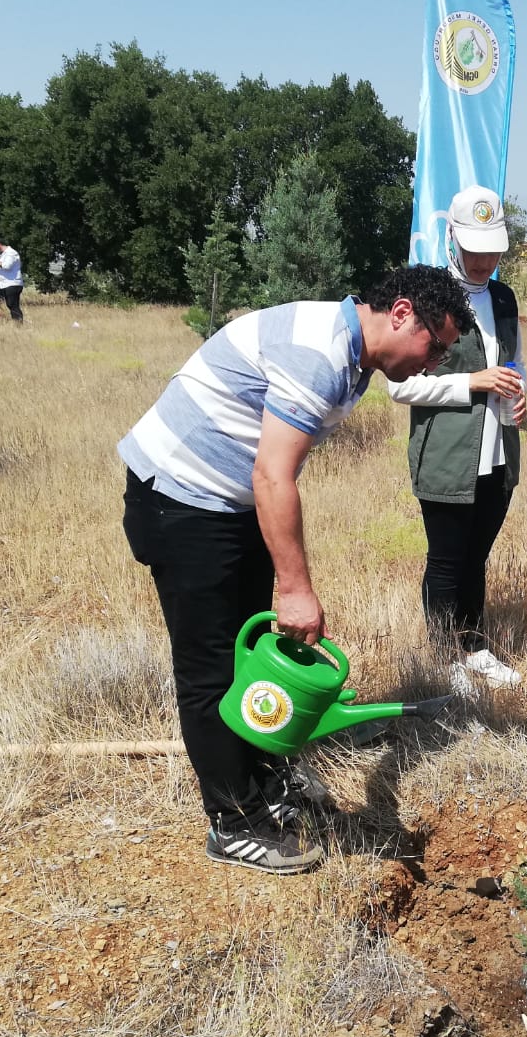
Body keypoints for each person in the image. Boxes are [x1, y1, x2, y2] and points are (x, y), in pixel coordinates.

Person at [119, 266, 476, 874]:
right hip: (179, 499)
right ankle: (233, 823)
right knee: (211, 672)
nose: (436, 363)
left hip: (227, 503)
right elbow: (273, 475)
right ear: (399, 313)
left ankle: (262, 782)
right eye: (434, 345)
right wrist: (295, 586)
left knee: (253, 655)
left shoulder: (356, 358)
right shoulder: (320, 355)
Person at [386, 186, 526, 693]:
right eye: (475, 248)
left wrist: (519, 392)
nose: (485, 260)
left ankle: (475, 645)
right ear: (452, 240)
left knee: (477, 556)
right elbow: (398, 384)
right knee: (446, 560)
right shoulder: (429, 298)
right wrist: (472, 382)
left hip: (497, 451)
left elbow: (514, 364)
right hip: (446, 453)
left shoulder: (504, 297)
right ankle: (444, 657)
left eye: (493, 249)